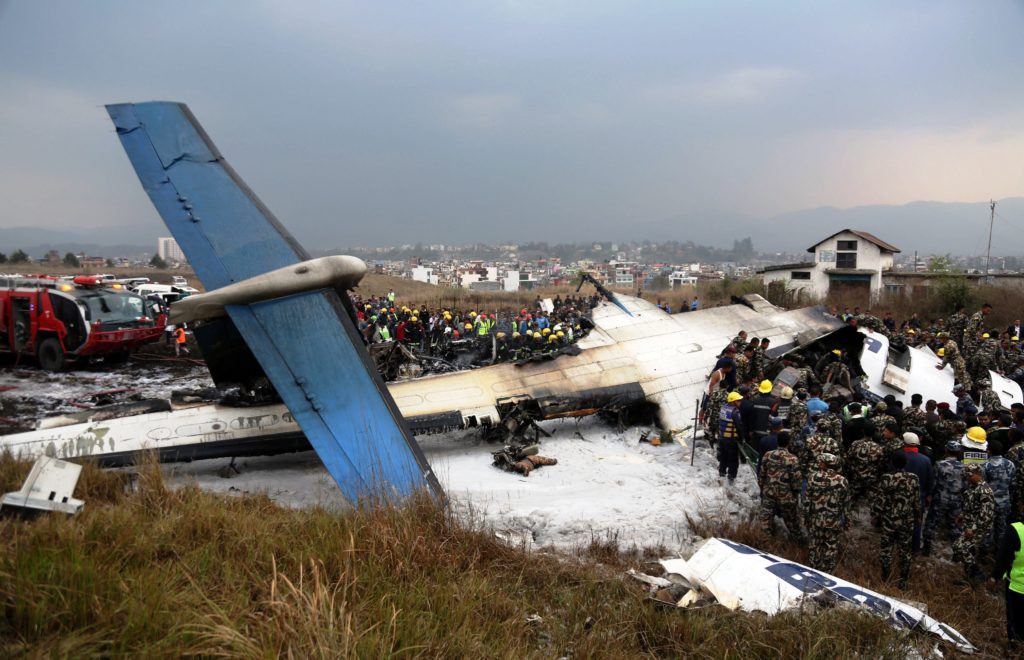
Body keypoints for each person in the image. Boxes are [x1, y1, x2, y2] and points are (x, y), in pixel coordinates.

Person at [872, 451, 921, 588]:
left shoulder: (886, 478)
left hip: (889, 520)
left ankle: (885, 578)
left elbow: (880, 500)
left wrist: (876, 515)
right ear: (905, 463)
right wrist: (918, 515)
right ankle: (903, 580)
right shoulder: (913, 478)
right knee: (905, 551)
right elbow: (917, 500)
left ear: (892, 463)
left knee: (886, 549)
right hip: (907, 520)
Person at [803, 452, 850, 572]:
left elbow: (807, 501)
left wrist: (806, 518)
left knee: (815, 546)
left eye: (820, 462)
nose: (819, 464)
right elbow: (846, 505)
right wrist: (846, 522)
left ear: (824, 464)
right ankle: (828, 574)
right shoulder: (842, 481)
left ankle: (814, 571)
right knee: (831, 548)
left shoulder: (813, 478)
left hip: (815, 521)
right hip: (833, 522)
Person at [953, 463, 996, 586]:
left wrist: (973, 529)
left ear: (978, 474)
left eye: (969, 475)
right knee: (962, 548)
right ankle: (969, 577)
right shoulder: (973, 487)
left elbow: (986, 515)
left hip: (979, 528)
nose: (967, 477)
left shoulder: (985, 491)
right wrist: (962, 515)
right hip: (969, 525)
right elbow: (971, 507)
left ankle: (977, 574)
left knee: (962, 548)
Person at [758, 432, 804, 541]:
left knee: (766, 523)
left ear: (777, 441)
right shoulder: (792, 459)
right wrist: (795, 494)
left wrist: (764, 489)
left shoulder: (768, 455)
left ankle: (766, 546)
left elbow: (761, 475)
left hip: (769, 494)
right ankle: (798, 546)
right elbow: (797, 482)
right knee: (793, 524)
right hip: (786, 497)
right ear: (788, 443)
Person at [991, 519, 1024, 646]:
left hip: (1017, 587)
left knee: (1015, 627)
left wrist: (995, 577)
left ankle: (1014, 646)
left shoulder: (1015, 530)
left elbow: (1003, 557)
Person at [901, 432, 933, 552]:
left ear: (904, 443)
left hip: (901, 496)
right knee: (917, 523)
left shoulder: (899, 457)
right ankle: (914, 548)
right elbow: (930, 479)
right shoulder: (926, 460)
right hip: (920, 497)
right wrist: (929, 495)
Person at [718, 392, 745, 483]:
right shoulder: (735, 412)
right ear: (733, 401)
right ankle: (731, 478)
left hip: (722, 438)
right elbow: (739, 427)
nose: (740, 402)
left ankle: (721, 474)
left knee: (723, 458)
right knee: (733, 460)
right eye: (738, 400)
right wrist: (742, 439)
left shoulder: (723, 408)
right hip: (731, 440)